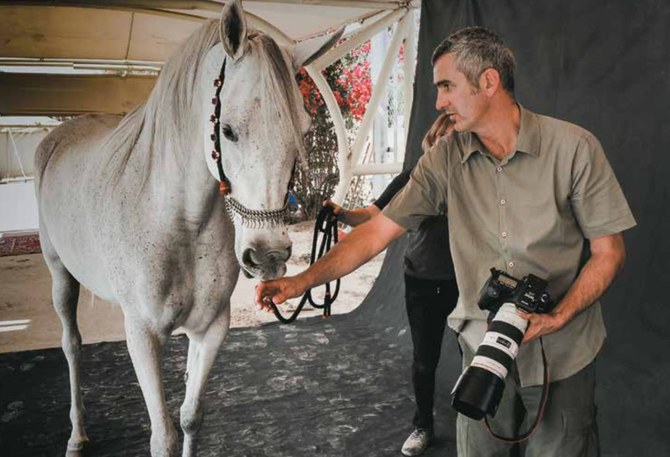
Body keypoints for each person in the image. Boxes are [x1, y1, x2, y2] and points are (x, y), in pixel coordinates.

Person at [256, 26, 636, 457]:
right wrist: (301, 282)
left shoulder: (575, 149)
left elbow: (609, 252)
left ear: (488, 82)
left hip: (565, 354)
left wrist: (558, 316)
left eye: (447, 86)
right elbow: (377, 232)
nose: (438, 102)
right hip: (481, 345)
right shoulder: (444, 157)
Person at [324, 112, 457, 456]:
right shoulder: (412, 178)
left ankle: (483, 427)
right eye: (443, 140)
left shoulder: (476, 179)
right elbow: (371, 216)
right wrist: (340, 213)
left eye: (456, 142)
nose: (448, 148)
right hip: (424, 281)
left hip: (466, 282)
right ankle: (423, 426)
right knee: (425, 362)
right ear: (432, 142)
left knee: (476, 357)